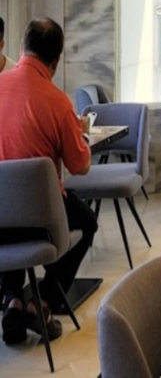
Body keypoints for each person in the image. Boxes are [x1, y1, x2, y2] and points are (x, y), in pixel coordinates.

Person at [0, 18, 96, 344]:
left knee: (8, 209)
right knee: (87, 221)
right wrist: (81, 138)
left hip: (0, 221)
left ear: (20, 48)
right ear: (55, 62)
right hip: (43, 221)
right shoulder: (57, 102)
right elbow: (80, 166)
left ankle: (12, 299)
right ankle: (41, 301)